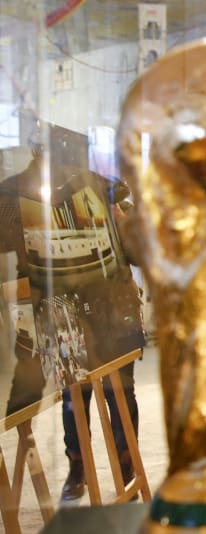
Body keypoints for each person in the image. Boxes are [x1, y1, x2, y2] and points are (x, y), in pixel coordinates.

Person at [0, 132, 144, 501]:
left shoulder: (105, 192)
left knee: (116, 393)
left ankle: (126, 467)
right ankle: (80, 466)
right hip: (62, 316)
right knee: (75, 396)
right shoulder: (13, 197)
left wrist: (122, 225)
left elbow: (137, 253)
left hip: (112, 312)